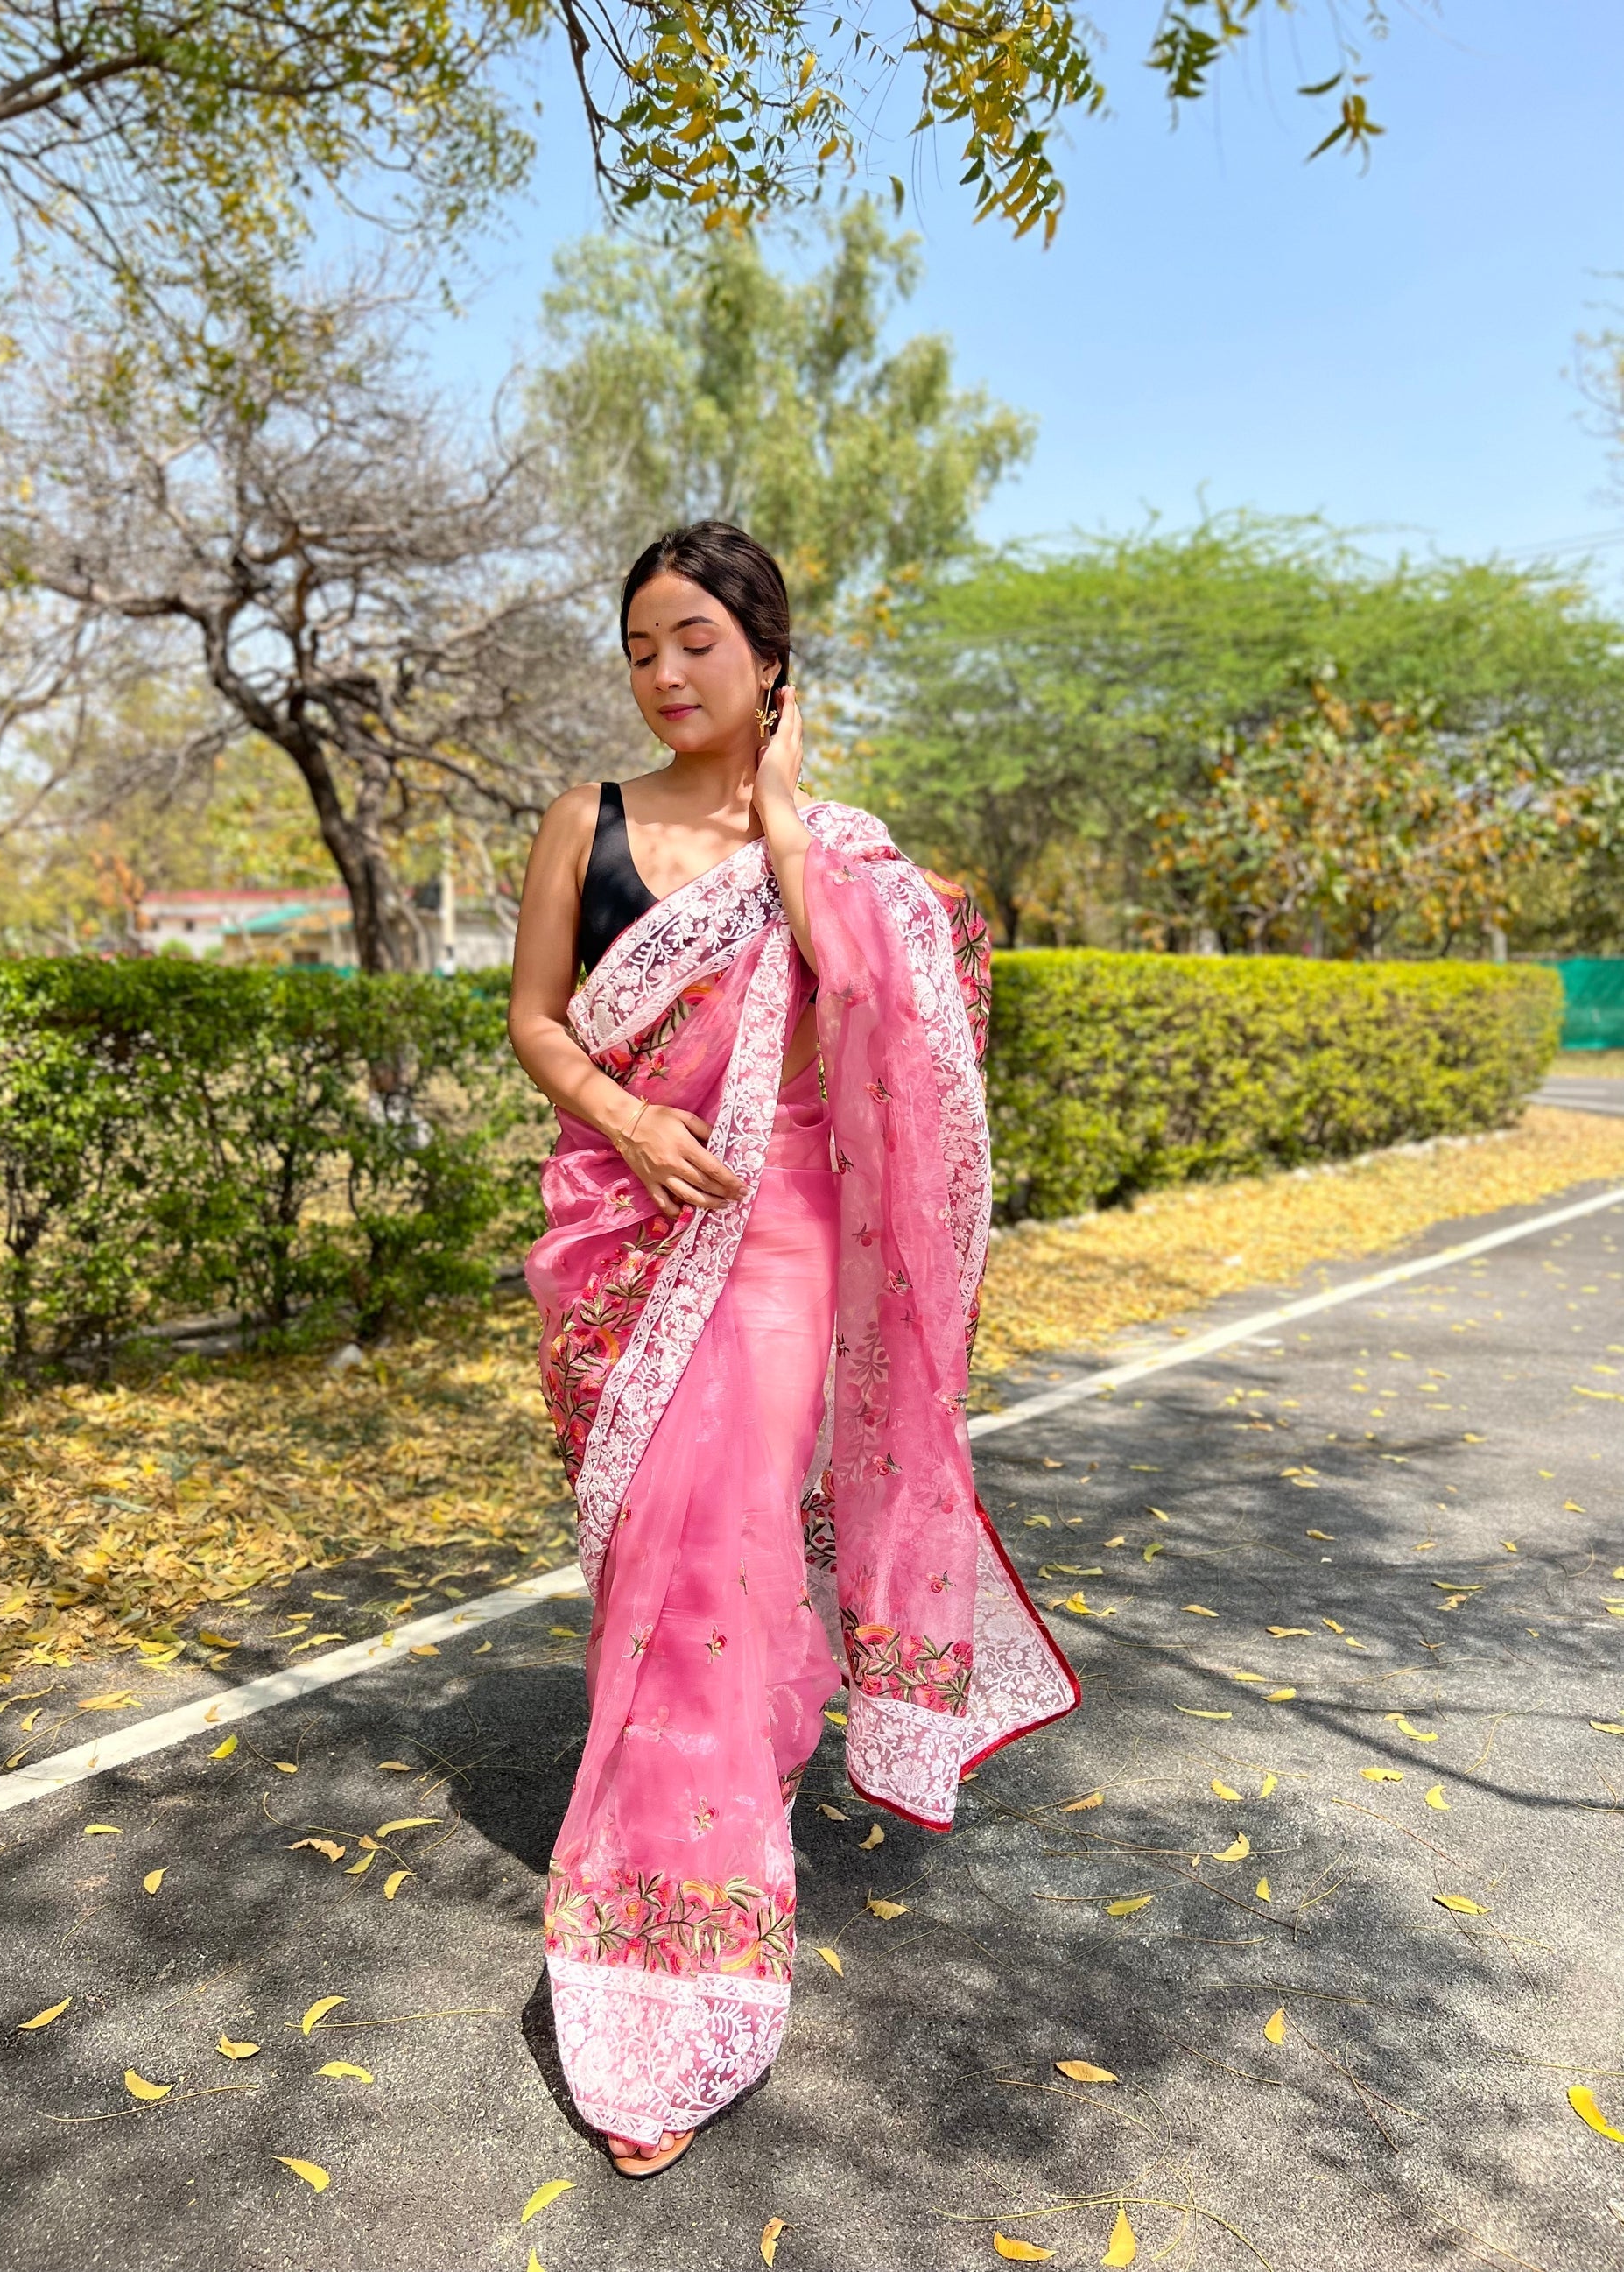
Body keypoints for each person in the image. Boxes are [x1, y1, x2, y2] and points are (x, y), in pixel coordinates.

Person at [508, 520, 1079, 2178]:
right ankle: (720, 1797)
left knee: (714, 1570)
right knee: (657, 1582)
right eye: (639, 648)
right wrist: (624, 1114)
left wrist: (779, 828)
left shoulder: (835, 850)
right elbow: (539, 1016)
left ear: (767, 660)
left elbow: (906, 1015)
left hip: (774, 1254)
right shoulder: (583, 823)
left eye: (695, 641)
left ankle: (672, 1962)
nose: (664, 674)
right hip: (620, 1245)